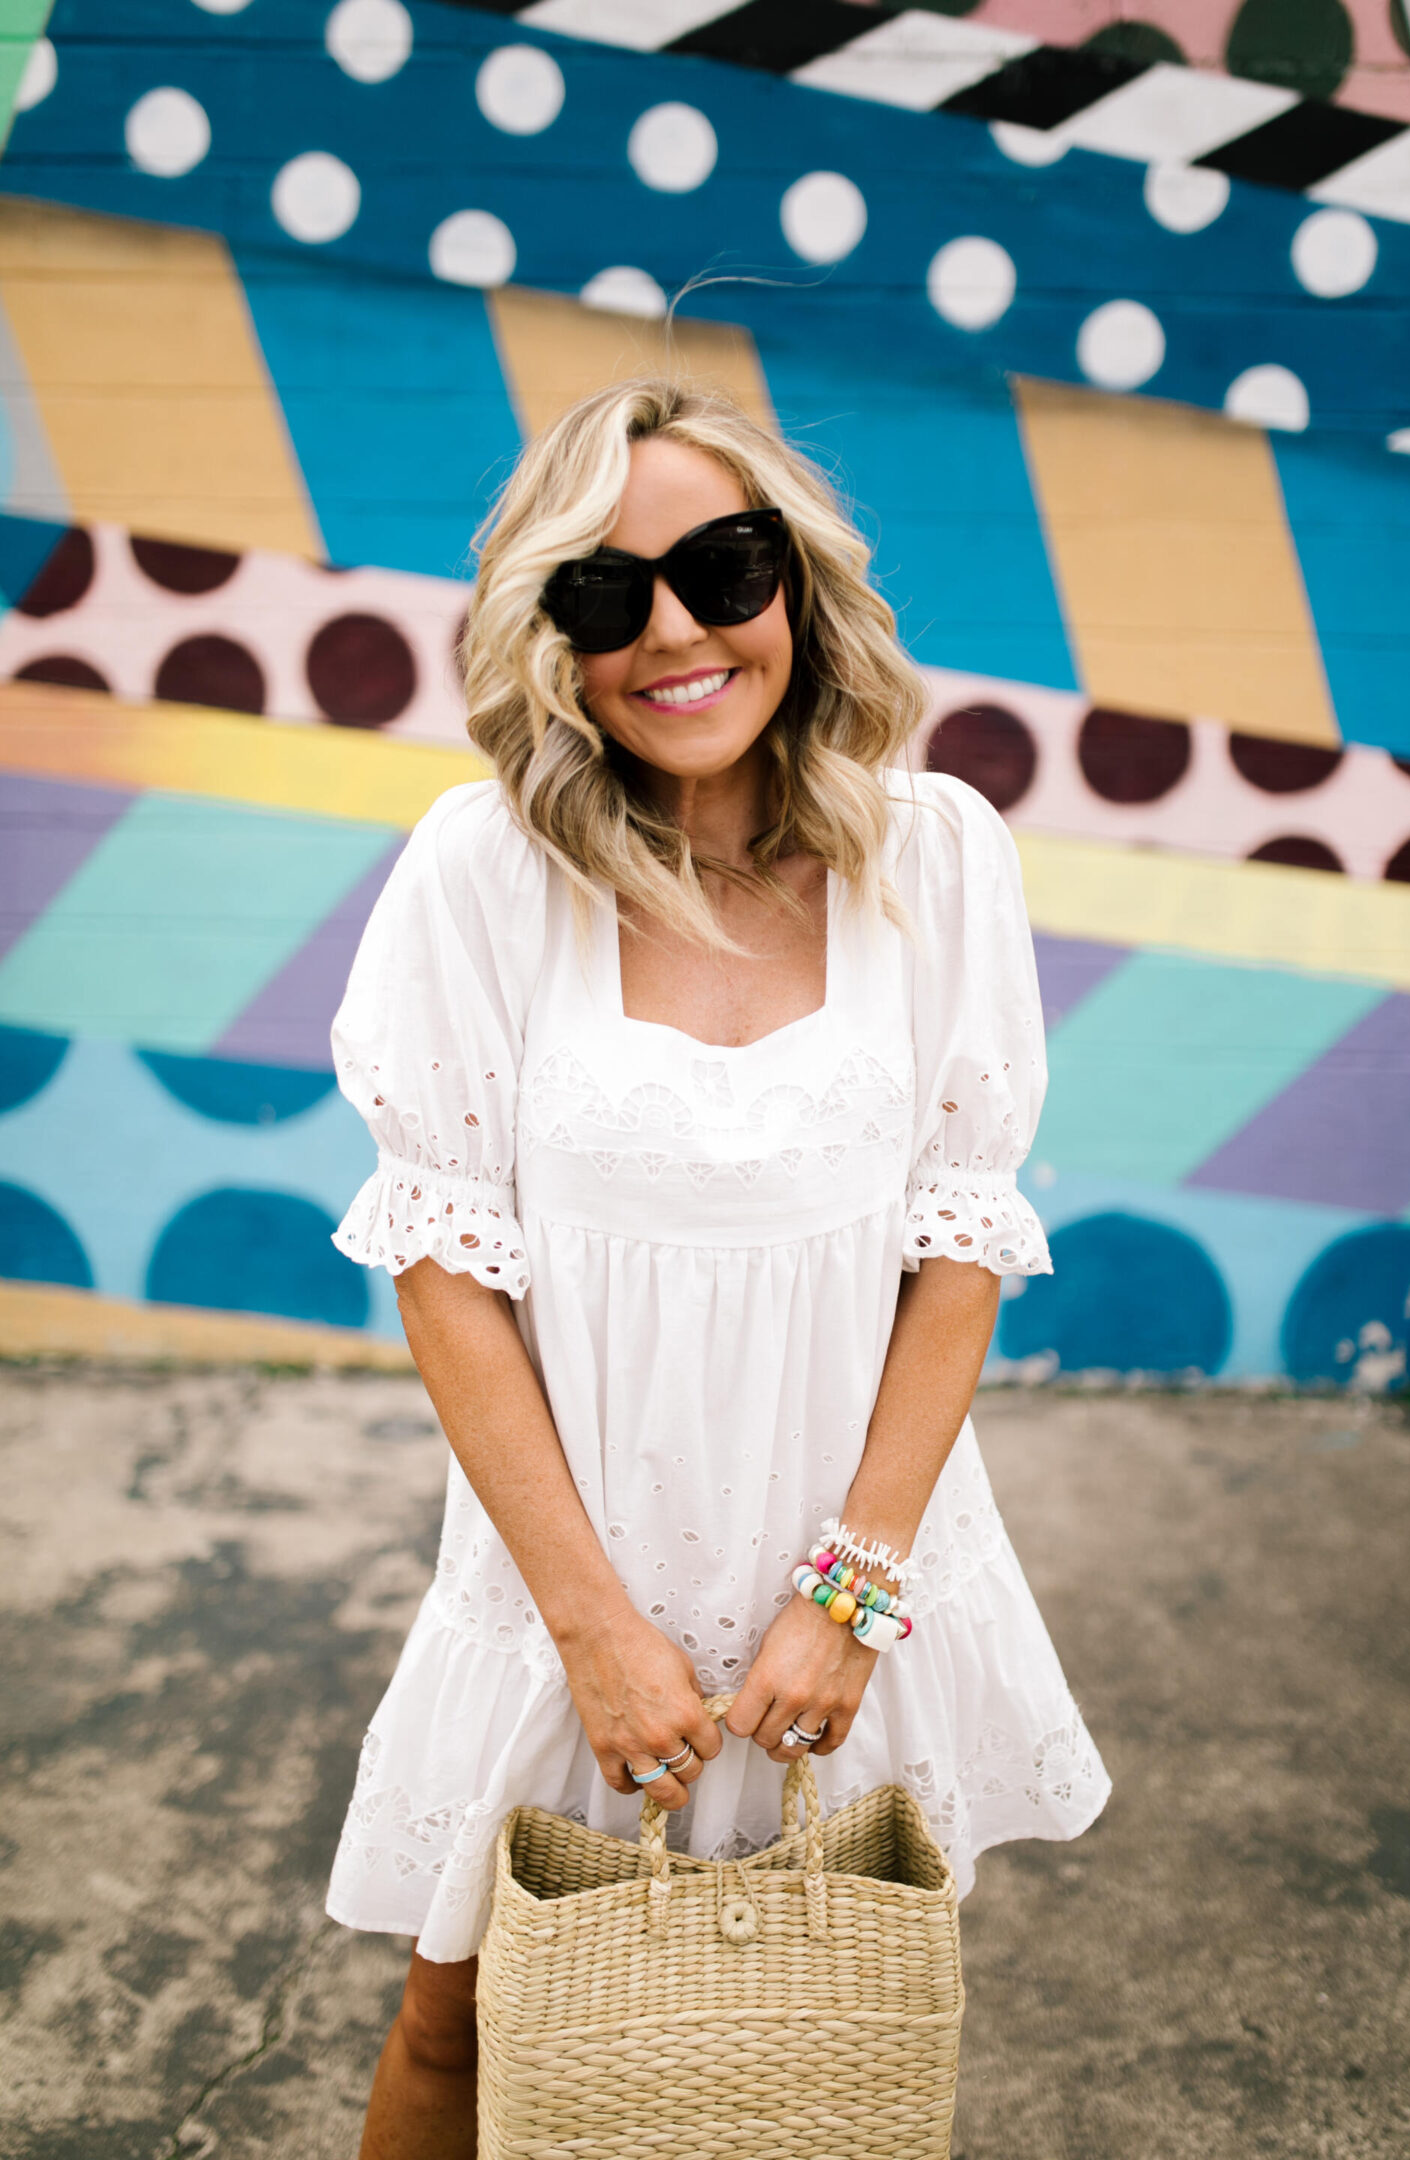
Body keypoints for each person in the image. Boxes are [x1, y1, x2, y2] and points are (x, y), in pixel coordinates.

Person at [326, 378, 1110, 2158]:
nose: (675, 631)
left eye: (721, 567)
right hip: (572, 1587)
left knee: (816, 2050)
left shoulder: (938, 857)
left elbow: (957, 1239)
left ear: (798, 584)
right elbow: (445, 1269)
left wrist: (851, 1598)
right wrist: (592, 1633)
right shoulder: (481, 873)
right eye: (606, 597)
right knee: (461, 2032)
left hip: (852, 1585)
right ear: (555, 641)